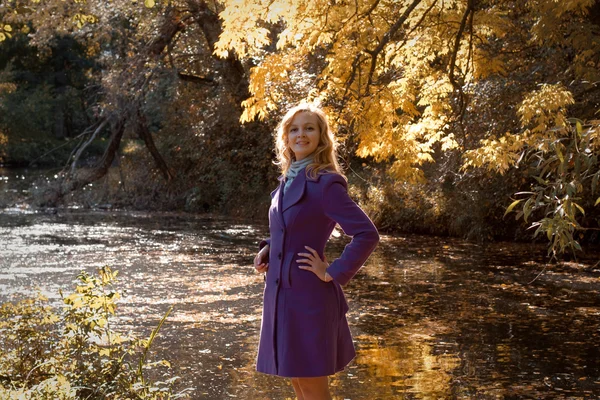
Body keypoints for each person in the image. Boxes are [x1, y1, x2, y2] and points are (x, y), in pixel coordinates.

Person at [253, 102, 380, 400]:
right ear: (285, 138)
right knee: (298, 382)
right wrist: (268, 250)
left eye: (309, 128)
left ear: (321, 137)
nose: (301, 134)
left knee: (312, 386)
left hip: (309, 296)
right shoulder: (285, 182)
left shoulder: (325, 184)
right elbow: (289, 229)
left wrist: (332, 271)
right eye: (294, 129)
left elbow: (367, 234)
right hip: (280, 295)